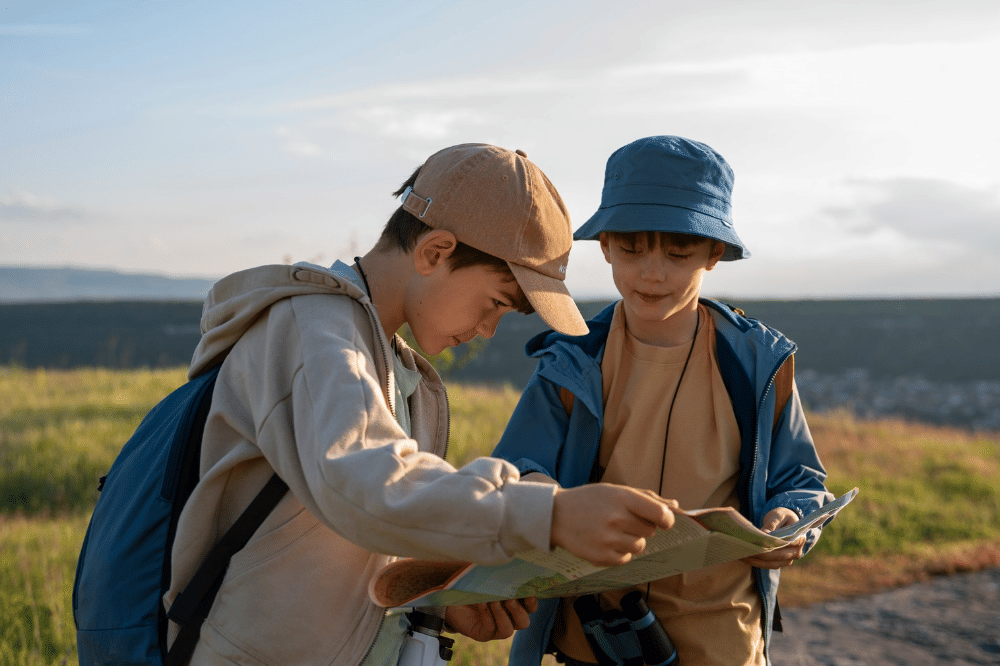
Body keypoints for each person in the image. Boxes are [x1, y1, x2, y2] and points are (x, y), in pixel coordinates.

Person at [163, 143, 679, 666]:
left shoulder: (390, 362)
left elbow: (358, 533)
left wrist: (437, 600)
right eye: (497, 302)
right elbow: (362, 482)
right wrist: (547, 514)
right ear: (435, 251)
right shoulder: (316, 332)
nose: (488, 328)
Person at [491, 136, 834, 665]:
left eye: (678, 252)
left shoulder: (759, 363)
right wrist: (545, 496)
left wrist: (789, 520)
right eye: (631, 248)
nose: (652, 271)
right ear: (603, 245)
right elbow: (515, 469)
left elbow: (800, 481)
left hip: (724, 642)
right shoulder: (571, 361)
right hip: (594, 639)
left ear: (714, 254)